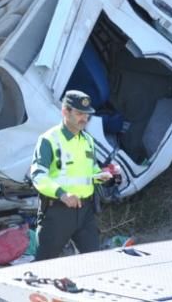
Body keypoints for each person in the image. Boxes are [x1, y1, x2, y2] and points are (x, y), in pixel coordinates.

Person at [30, 89, 114, 260]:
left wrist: (104, 176)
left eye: (87, 114)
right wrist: (62, 194)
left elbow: (91, 171)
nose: (84, 118)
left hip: (85, 211)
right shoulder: (49, 140)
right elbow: (38, 175)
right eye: (79, 113)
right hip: (57, 212)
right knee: (44, 265)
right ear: (65, 111)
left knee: (93, 262)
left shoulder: (88, 140)